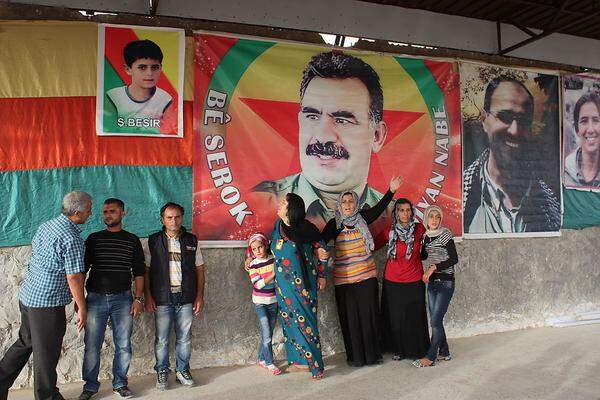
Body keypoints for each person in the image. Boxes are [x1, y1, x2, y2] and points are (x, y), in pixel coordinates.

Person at [253, 51, 388, 228]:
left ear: (377, 136)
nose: (323, 137)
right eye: (313, 116)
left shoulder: (392, 215)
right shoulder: (260, 201)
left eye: (342, 120)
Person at [0, 190, 91, 400]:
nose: (90, 212)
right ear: (77, 212)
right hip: (47, 304)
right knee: (46, 353)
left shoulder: (47, 225)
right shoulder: (71, 237)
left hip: (29, 296)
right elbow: (75, 278)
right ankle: (47, 396)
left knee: (25, 343)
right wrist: (82, 306)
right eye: (89, 209)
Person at [321, 176, 402, 367]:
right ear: (339, 205)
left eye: (350, 201)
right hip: (344, 281)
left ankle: (373, 355)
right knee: (350, 319)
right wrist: (319, 249)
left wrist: (391, 191)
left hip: (366, 277)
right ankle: (356, 357)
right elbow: (319, 241)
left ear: (356, 204)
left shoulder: (363, 218)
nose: (347, 204)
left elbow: (379, 208)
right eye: (344, 201)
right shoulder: (334, 224)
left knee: (369, 316)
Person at [463, 76, 560, 233]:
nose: (514, 130)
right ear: (484, 119)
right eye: (504, 116)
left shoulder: (549, 207)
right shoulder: (461, 198)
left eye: (524, 120)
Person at [77, 198, 146, 400]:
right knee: (92, 345)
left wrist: (138, 299)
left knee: (123, 344)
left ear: (123, 213)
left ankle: (120, 384)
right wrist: (79, 301)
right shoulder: (94, 239)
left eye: (113, 211)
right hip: (95, 300)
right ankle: (90, 387)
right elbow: (81, 271)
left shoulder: (132, 240)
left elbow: (139, 272)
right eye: (105, 212)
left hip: (123, 300)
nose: (108, 215)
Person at [145, 202, 205, 390]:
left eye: (177, 216)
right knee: (162, 338)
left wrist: (199, 296)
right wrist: (148, 296)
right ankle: (162, 371)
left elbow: (200, 270)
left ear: (182, 218)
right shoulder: (153, 241)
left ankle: (182, 370)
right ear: (162, 219)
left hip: (186, 298)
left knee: (185, 337)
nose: (174, 220)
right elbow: (145, 270)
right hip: (162, 299)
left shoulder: (191, 240)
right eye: (169, 217)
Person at [270, 193, 328, 379]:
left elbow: (323, 251)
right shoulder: (277, 227)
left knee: (306, 325)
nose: (279, 204)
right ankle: (298, 361)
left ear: (291, 209)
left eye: (284, 203)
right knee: (289, 324)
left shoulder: (306, 229)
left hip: (303, 286)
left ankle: (316, 366)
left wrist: (322, 274)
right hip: (282, 287)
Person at [381, 198, 430, 361]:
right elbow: (370, 245)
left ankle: (416, 349)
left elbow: (433, 244)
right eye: (401, 210)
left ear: (412, 212)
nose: (405, 213)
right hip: (392, 279)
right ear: (396, 213)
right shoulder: (388, 230)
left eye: (408, 210)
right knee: (396, 317)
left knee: (415, 316)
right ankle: (398, 349)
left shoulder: (420, 229)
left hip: (414, 278)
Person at [412, 205, 458, 368]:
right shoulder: (425, 236)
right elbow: (424, 255)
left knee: (435, 320)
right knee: (436, 319)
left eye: (437, 217)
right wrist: (418, 242)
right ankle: (444, 352)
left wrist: (434, 268)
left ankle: (431, 356)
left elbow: (454, 259)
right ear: (426, 219)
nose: (434, 220)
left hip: (446, 282)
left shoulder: (445, 234)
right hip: (432, 283)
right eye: (431, 216)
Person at [106, 39, 172, 129]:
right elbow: (108, 128)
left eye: (155, 67)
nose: (149, 73)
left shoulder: (165, 99)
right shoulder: (113, 96)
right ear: (128, 69)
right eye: (142, 67)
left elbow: (168, 131)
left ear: (161, 68)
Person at [245, 233, 281, 375]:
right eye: (254, 249)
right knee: (266, 334)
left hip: (274, 301)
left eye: (260, 247)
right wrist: (273, 274)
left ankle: (261, 358)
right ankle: (270, 363)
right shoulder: (253, 265)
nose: (258, 251)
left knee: (269, 332)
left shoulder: (273, 259)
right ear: (251, 251)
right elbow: (258, 284)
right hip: (260, 303)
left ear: (266, 246)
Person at [564, 92, 600, 187]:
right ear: (576, 129)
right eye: (584, 121)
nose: (590, 129)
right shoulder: (565, 171)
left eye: (596, 120)